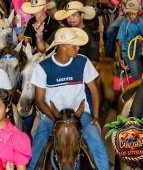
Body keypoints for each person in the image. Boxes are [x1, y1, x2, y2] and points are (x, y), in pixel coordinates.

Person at [29, 28, 108, 170]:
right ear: (63, 46)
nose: (78, 48)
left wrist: (96, 116)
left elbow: (95, 91)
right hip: (52, 116)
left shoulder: (83, 62)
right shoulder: (43, 67)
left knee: (97, 143)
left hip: (81, 114)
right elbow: (39, 100)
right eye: (75, 45)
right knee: (38, 144)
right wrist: (56, 118)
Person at [115, 0, 143, 80]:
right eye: (129, 13)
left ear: (140, 12)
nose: (131, 16)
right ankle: (138, 86)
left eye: (133, 13)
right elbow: (119, 43)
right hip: (129, 53)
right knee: (137, 72)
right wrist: (120, 58)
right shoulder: (125, 24)